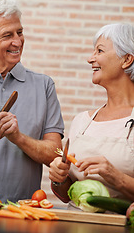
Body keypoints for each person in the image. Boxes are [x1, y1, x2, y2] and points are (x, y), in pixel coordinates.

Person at [0, 0, 64, 203]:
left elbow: (55, 154)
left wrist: (19, 138)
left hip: (24, 215)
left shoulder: (44, 86)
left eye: (19, 32)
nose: (17, 41)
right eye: (7, 35)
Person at [49, 23, 134, 209]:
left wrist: (115, 176)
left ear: (127, 59)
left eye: (99, 51)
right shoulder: (82, 121)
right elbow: (66, 196)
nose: (90, 59)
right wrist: (59, 178)